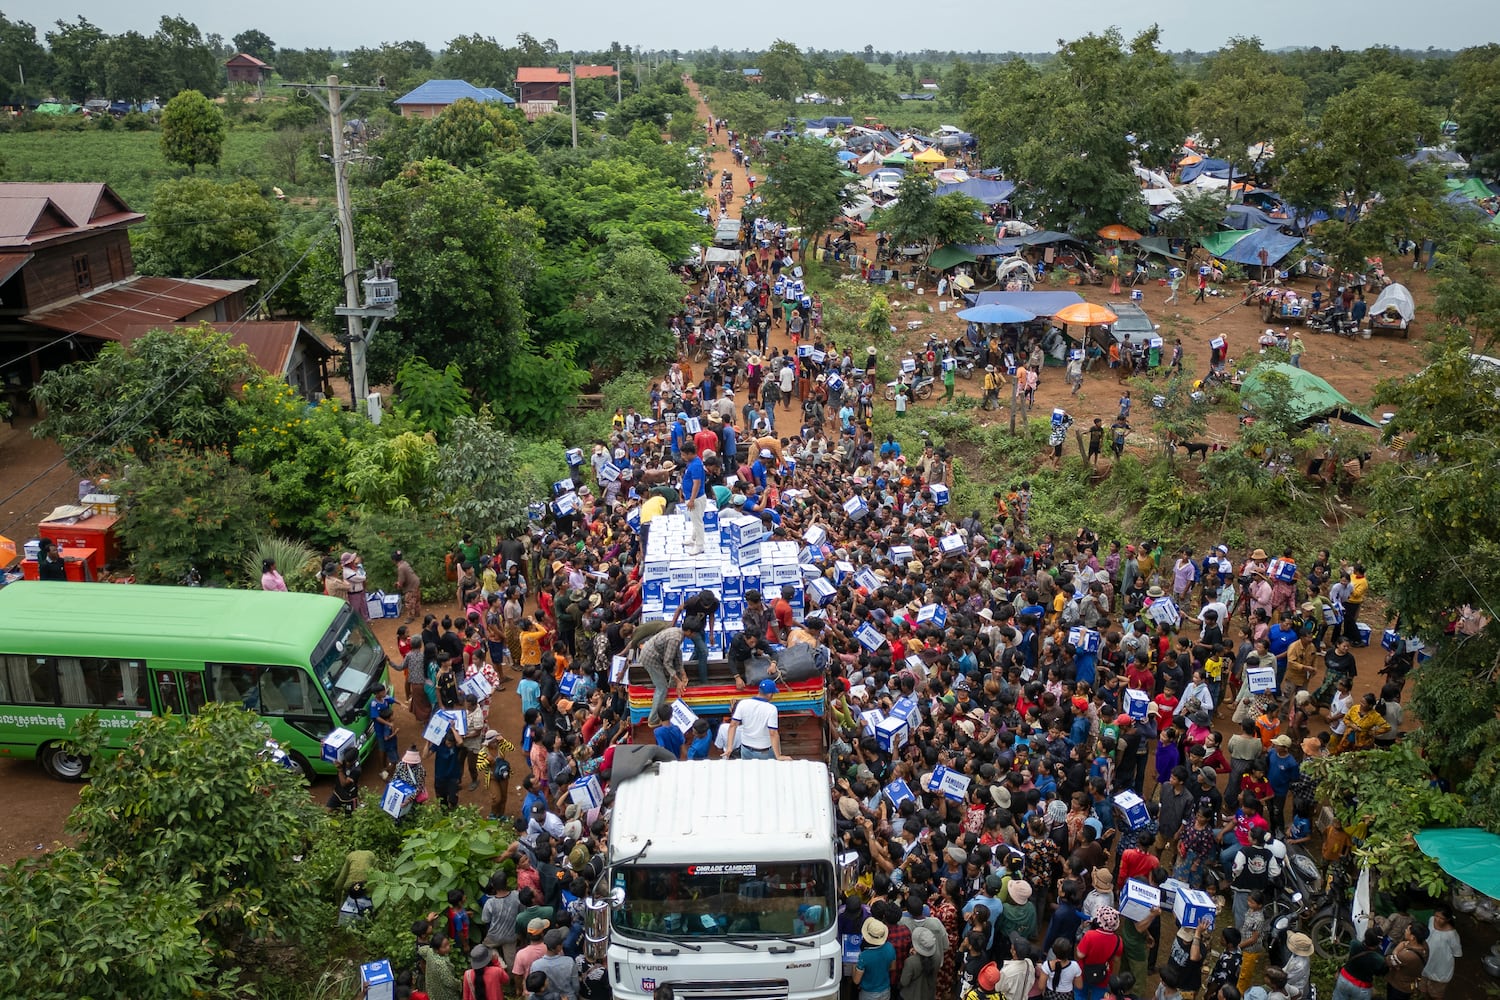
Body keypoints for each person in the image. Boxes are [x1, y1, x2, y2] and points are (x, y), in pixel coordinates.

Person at [636, 625, 688, 727]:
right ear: (690, 632)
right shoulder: (675, 638)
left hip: (656, 654)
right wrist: (678, 681)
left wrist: (683, 674)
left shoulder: (678, 633)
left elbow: (677, 656)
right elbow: (667, 663)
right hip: (650, 657)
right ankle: (653, 719)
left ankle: (671, 700)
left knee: (672, 678)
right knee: (662, 687)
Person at [726, 678, 785, 760]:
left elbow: (733, 725)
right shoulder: (771, 709)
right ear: (770, 694)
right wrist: (778, 756)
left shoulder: (743, 703)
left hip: (746, 749)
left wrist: (729, 747)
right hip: (764, 751)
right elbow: (773, 733)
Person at [1417, 906, 1461, 1000]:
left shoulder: (1452, 934)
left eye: (1441, 918)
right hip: (1427, 960)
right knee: (1422, 986)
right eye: (1436, 916)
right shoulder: (1431, 920)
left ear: (1448, 919)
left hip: (1441, 967)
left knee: (1436, 993)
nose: (1437, 919)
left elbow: (1456, 953)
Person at [1333, 929, 1388, 1000]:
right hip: (1361, 988)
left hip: (1344, 979)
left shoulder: (1354, 944)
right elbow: (1380, 972)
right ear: (1379, 943)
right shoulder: (1378, 959)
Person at [854, 917, 897, 1000]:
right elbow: (893, 967)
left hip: (868, 994)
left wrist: (853, 966)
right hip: (886, 991)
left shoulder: (864, 956)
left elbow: (856, 981)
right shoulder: (890, 947)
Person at [394, 550, 422, 624]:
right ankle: (417, 613)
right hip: (416, 582)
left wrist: (397, 585)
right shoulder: (405, 563)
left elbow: (401, 581)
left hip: (411, 586)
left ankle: (410, 617)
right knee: (416, 599)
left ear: (393, 560)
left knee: (409, 601)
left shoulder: (400, 568)